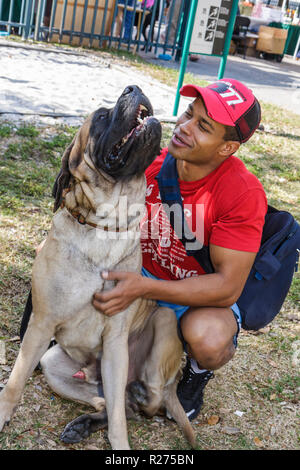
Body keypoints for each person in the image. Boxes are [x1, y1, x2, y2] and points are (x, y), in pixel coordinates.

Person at [92, 78, 268, 421]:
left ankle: (195, 376)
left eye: (203, 126)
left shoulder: (242, 193)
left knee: (210, 338)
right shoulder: (156, 160)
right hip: (141, 272)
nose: (184, 128)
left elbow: (228, 287)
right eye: (188, 113)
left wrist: (145, 288)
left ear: (226, 148)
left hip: (195, 297)